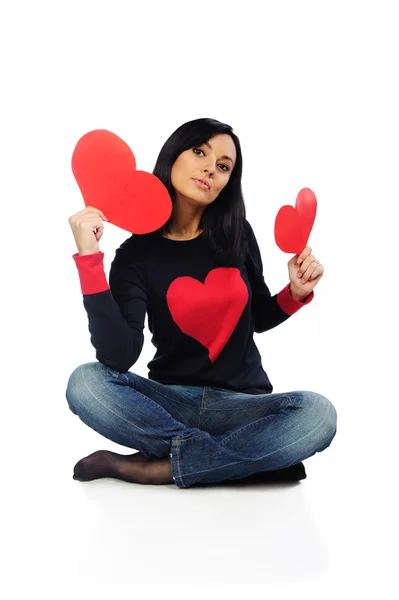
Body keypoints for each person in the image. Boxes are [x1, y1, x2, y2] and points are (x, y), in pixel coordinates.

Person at [66, 117, 337, 489]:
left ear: (227, 182)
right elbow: (117, 357)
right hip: (168, 401)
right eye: (199, 152)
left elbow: (256, 316)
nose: (211, 168)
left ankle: (156, 467)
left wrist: (295, 293)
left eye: (224, 166)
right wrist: (90, 260)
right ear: (173, 155)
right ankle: (249, 461)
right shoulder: (135, 255)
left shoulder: (238, 234)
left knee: (319, 414)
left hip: (241, 406)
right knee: (85, 382)